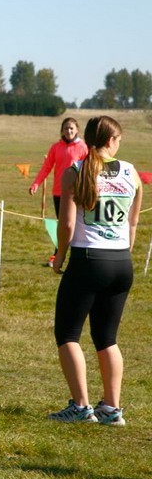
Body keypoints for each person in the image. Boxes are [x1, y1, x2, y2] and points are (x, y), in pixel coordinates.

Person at [49, 116, 141, 426]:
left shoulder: (74, 172)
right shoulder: (131, 172)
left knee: (67, 334)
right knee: (107, 338)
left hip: (88, 259)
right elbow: (133, 223)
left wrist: (60, 256)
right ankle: (112, 409)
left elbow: (66, 224)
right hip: (121, 262)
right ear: (112, 141)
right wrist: (124, 251)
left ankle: (80, 406)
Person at [29, 118, 88, 266]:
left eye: (71, 128)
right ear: (62, 130)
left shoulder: (83, 147)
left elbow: (89, 170)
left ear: (77, 130)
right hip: (58, 193)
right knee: (62, 225)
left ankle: (76, 255)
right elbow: (46, 167)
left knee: (76, 224)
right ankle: (57, 255)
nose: (69, 131)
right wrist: (36, 183)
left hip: (76, 193)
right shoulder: (56, 147)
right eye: (66, 128)